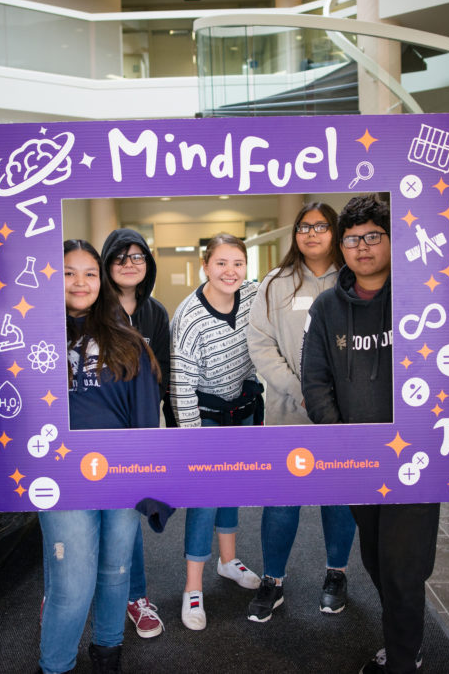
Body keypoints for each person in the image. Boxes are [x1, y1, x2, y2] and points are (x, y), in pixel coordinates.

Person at [301, 194, 449, 674]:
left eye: (372, 237)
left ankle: (404, 658)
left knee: (405, 569)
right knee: (376, 560)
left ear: (392, 240)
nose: (361, 248)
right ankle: (406, 642)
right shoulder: (326, 308)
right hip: (358, 459)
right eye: (351, 239)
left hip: (417, 461)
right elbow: (315, 379)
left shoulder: (424, 296)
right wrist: (342, 439)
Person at [39, 239, 161, 674]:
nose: (80, 282)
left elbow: (147, 414)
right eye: (68, 272)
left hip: (121, 476)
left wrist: (151, 481)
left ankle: (107, 653)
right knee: (71, 585)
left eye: (90, 273)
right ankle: (55, 666)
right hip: (62, 478)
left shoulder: (127, 339)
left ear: (102, 280)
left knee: (115, 573)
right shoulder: (34, 339)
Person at [245, 202, 356, 623]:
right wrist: (301, 391)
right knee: (281, 500)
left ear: (335, 231)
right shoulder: (276, 284)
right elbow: (261, 344)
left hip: (342, 414)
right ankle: (272, 580)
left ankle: (336, 574)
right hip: (288, 412)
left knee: (338, 497)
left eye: (321, 226)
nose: (311, 234)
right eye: (304, 227)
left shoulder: (354, 280)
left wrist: (332, 399)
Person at [170, 232, 263, 630]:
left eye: (237, 263)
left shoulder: (254, 296)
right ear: (205, 266)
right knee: (205, 498)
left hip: (242, 407)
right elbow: (180, 387)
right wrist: (192, 443)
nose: (230, 271)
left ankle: (228, 562)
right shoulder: (188, 317)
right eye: (221, 263)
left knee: (234, 488)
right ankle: (193, 588)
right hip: (204, 414)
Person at [100, 228, 172, 640]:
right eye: (121, 257)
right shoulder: (92, 309)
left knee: (131, 509)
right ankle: (61, 592)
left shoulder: (155, 313)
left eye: (138, 257)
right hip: (98, 432)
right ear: (108, 264)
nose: (130, 264)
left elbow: (162, 371)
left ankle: (136, 596)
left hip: (140, 431)